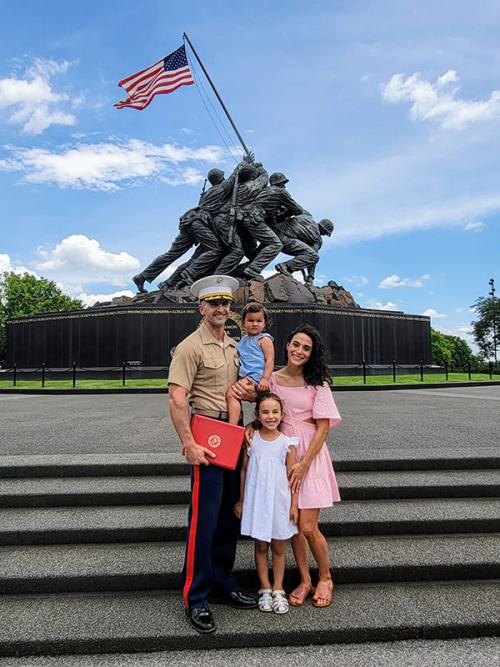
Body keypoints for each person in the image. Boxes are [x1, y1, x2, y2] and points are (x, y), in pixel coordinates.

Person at [168, 275, 257, 634]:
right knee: (204, 520)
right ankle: (197, 595)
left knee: (228, 515)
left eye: (225, 304)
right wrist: (188, 443)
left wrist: (249, 391)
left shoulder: (235, 347)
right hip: (207, 435)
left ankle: (222, 582)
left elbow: (244, 387)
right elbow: (176, 398)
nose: (221, 309)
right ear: (201, 308)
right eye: (213, 304)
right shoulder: (190, 347)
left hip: (233, 433)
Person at [268, 323, 342, 608]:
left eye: (306, 348)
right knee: (294, 524)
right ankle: (304, 579)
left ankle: (325, 577)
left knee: (309, 527)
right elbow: (266, 411)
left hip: (310, 456)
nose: (299, 351)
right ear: (287, 346)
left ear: (312, 354)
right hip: (282, 456)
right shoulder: (272, 380)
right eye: (296, 344)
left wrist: (303, 464)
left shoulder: (317, 383)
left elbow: (323, 429)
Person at [234, 392, 299, 614]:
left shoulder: (287, 443)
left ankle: (279, 589)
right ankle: (265, 587)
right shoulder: (252, 440)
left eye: (275, 412)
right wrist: (242, 500)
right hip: (258, 499)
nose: (270, 416)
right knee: (261, 545)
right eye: (265, 412)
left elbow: (293, 477)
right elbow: (243, 470)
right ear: (257, 415)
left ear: (282, 415)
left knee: (279, 546)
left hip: (279, 501)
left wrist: (293, 505)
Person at [226, 303, 275, 425]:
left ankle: (232, 427)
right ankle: (242, 423)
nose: (254, 324)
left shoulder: (264, 340)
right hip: (245, 377)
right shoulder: (242, 341)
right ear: (243, 322)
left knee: (231, 394)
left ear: (264, 323)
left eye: (259, 321)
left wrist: (265, 379)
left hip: (256, 378)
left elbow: (270, 360)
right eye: (250, 320)